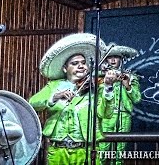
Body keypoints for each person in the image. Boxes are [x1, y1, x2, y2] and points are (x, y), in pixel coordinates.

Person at [29, 33, 113, 165]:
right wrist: (54, 97)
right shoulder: (54, 86)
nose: (81, 66)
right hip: (57, 151)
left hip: (85, 150)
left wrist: (108, 87)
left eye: (83, 63)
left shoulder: (95, 88)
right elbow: (32, 104)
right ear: (65, 68)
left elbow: (106, 114)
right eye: (75, 63)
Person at [99, 42, 141, 165]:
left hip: (124, 116)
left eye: (116, 57)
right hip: (105, 116)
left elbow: (137, 99)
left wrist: (127, 86)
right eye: (110, 57)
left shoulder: (130, 77)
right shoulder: (100, 76)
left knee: (119, 154)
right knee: (102, 151)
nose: (112, 60)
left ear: (121, 59)